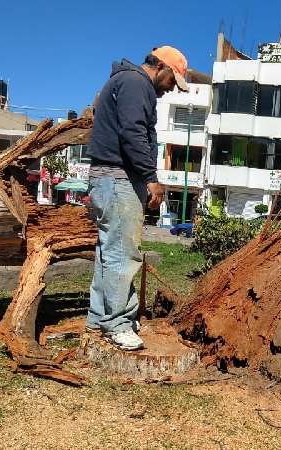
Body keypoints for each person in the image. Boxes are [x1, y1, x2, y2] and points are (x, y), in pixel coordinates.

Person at [85, 46, 189, 351]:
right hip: (117, 177)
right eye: (173, 82)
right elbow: (133, 133)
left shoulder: (124, 81)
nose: (171, 90)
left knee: (109, 250)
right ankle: (117, 323)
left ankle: (98, 317)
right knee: (122, 252)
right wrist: (151, 178)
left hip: (107, 177)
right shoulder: (135, 84)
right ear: (164, 69)